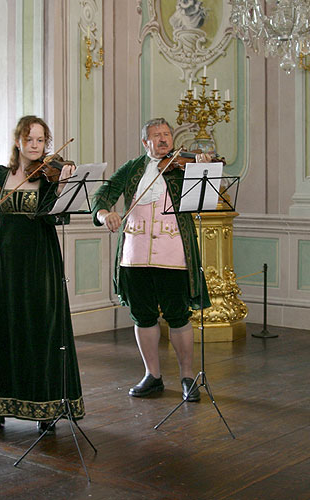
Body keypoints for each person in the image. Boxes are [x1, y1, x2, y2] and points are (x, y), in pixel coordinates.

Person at [0, 115, 84, 434]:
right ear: (18, 141)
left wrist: (61, 187)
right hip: (6, 258)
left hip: (40, 255)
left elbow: (55, 219)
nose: (34, 146)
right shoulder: (0, 174)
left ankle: (46, 406)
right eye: (29, 139)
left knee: (42, 325)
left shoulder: (48, 176)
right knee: (2, 324)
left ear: (47, 143)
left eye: (41, 140)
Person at [91, 117, 211, 402]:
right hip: (134, 254)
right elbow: (103, 195)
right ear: (145, 142)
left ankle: (186, 377)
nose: (163, 139)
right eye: (156, 135)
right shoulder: (132, 168)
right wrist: (105, 213)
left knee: (178, 315)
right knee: (143, 316)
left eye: (166, 134)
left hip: (174, 254)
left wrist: (204, 166)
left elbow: (204, 193)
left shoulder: (184, 165)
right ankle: (152, 375)